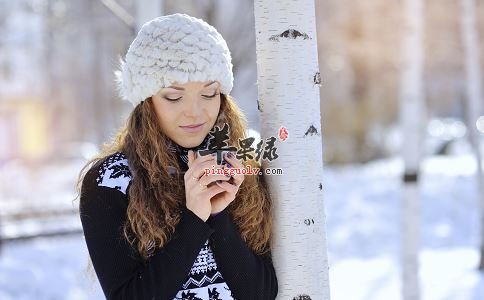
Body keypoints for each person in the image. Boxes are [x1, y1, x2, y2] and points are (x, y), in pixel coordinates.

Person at [76, 13, 278, 300]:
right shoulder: (110, 181)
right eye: (174, 97)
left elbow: (261, 293)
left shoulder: (240, 166)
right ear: (146, 102)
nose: (195, 112)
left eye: (209, 94)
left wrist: (219, 214)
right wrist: (194, 218)